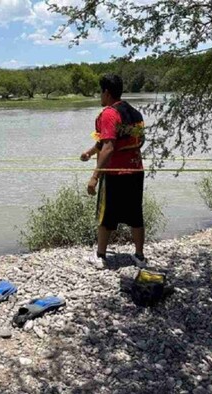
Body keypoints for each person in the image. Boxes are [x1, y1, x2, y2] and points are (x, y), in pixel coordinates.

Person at [83, 74, 146, 269]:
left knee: (106, 215)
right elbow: (135, 141)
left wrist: (94, 176)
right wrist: (90, 152)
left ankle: (100, 256)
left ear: (106, 92)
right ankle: (139, 256)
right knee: (136, 214)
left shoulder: (109, 114)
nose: (99, 96)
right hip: (136, 171)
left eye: (100, 92)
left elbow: (109, 147)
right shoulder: (135, 113)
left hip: (114, 174)